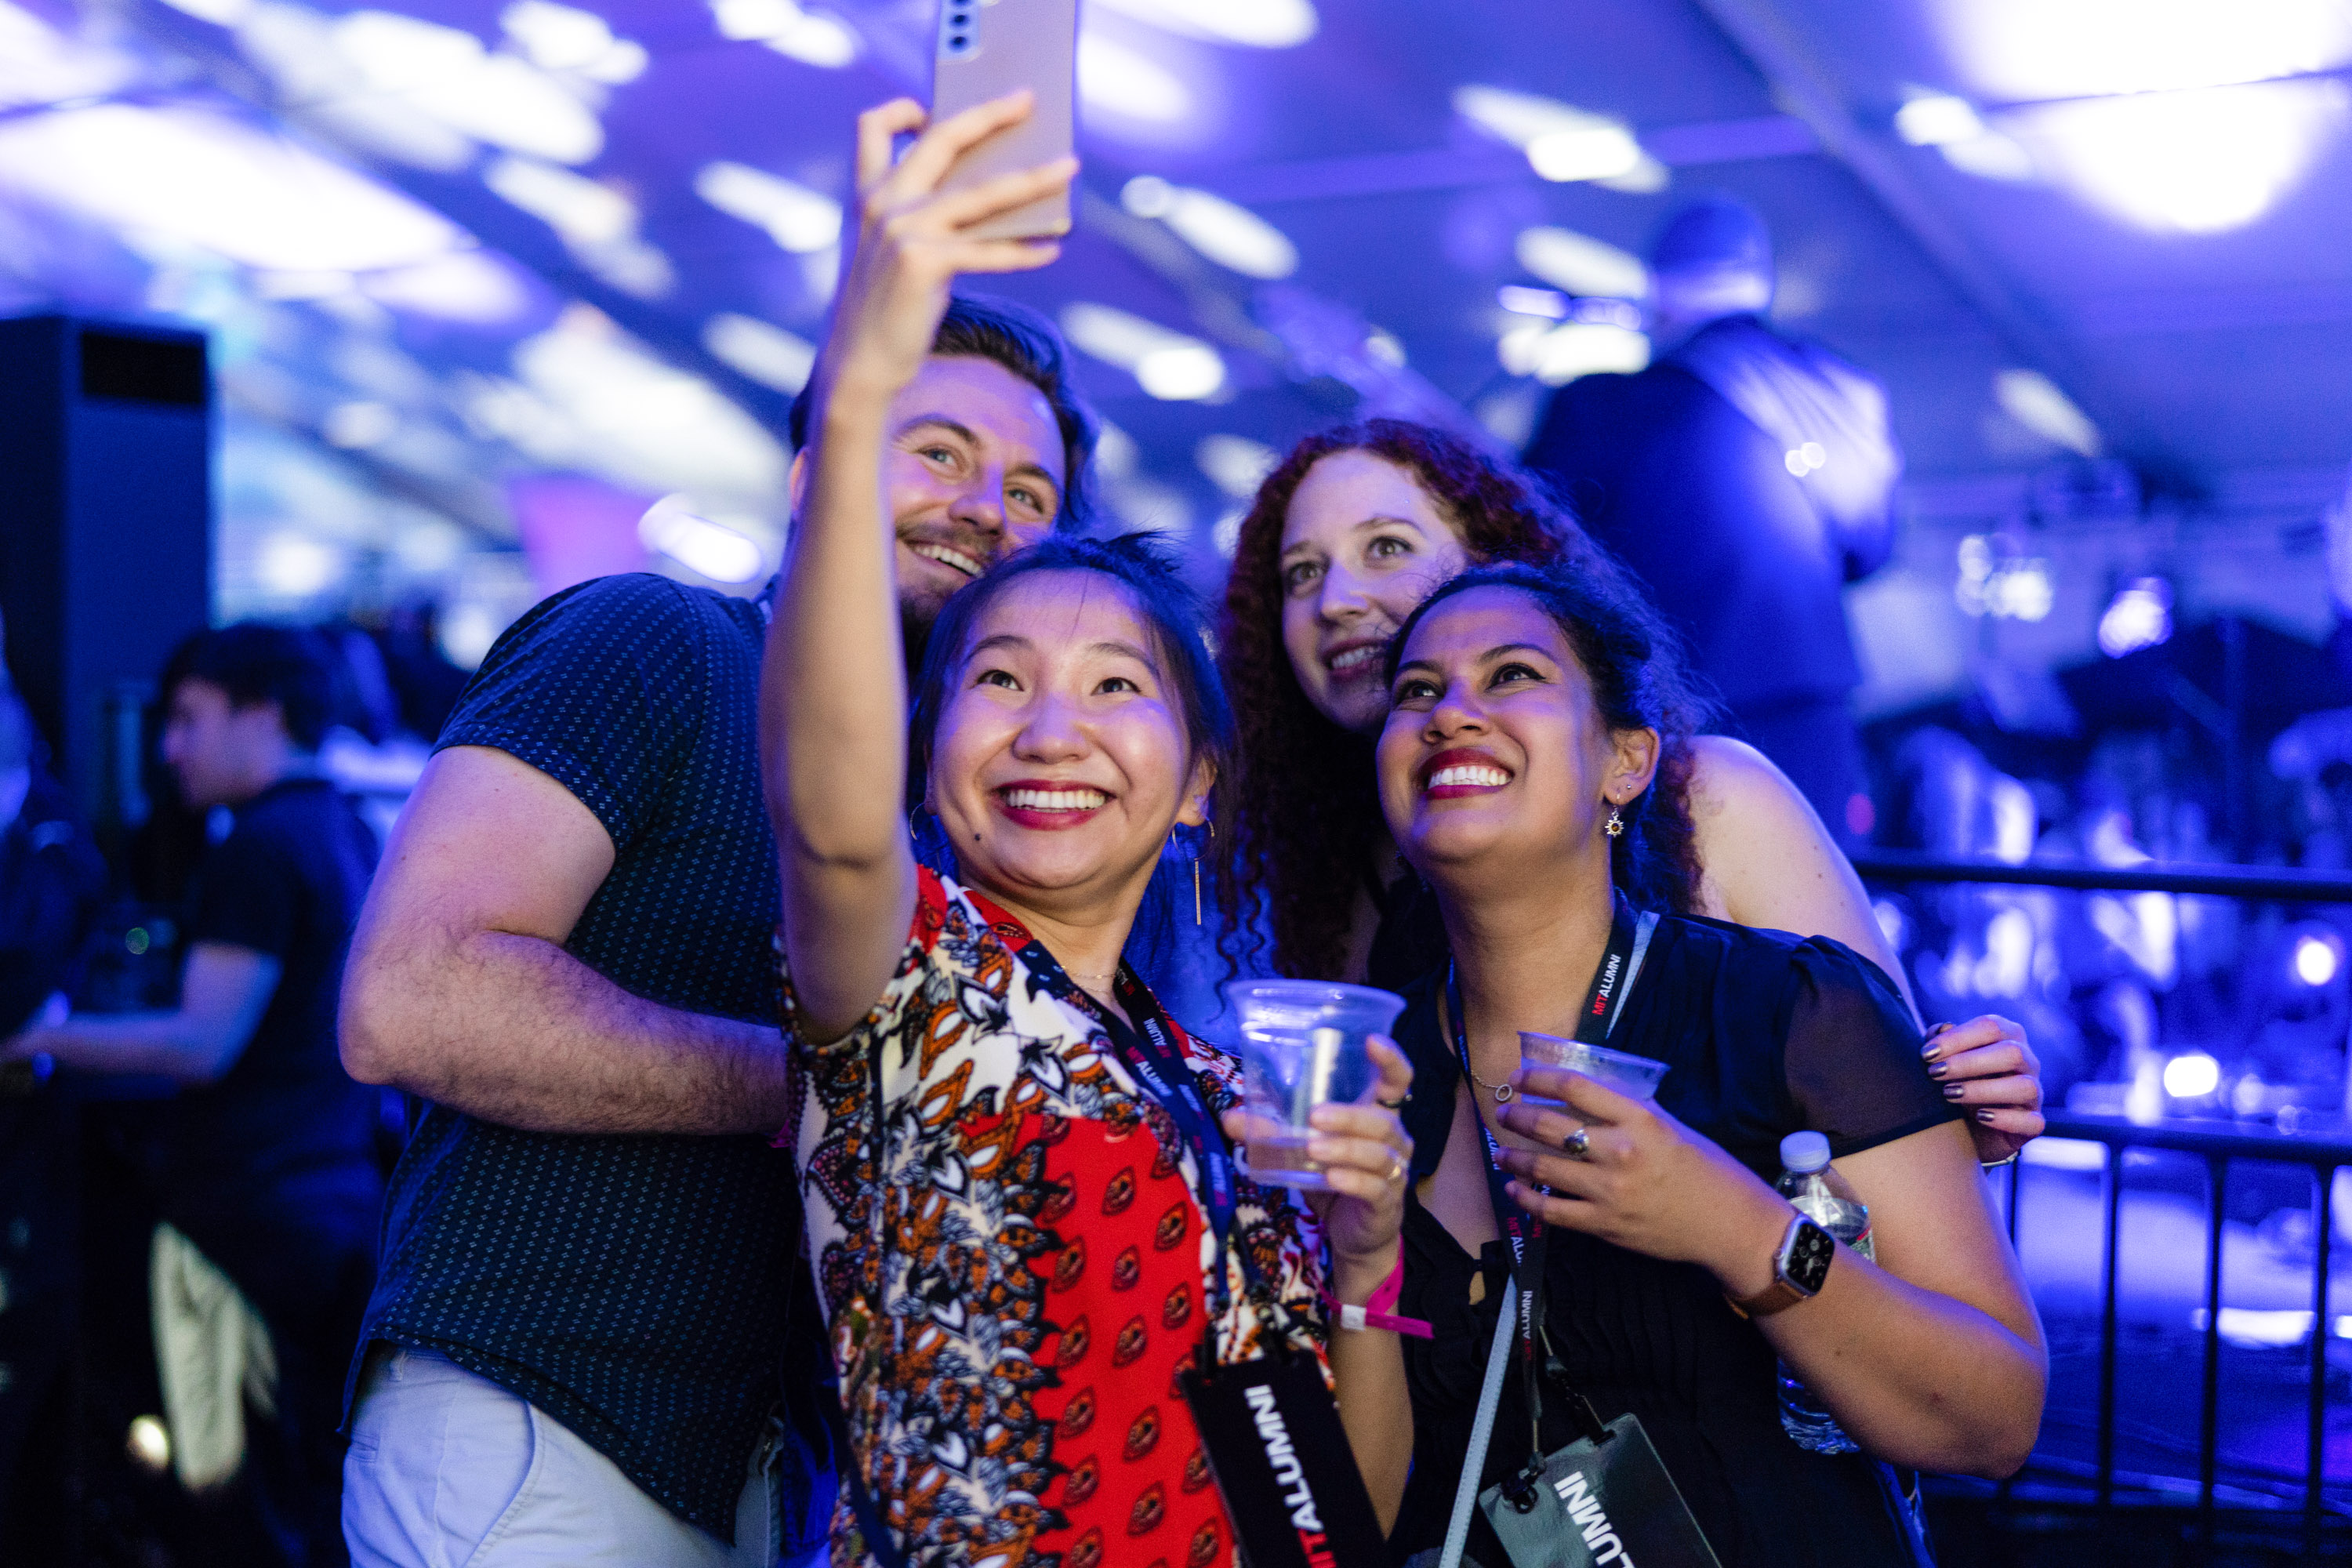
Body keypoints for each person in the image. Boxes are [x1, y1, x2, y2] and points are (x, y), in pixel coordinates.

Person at [334, 277, 1097, 1568]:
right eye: (941, 455)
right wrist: (824, 1082)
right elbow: (409, 997)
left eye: (1031, 494)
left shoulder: (959, 809)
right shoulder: (658, 640)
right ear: (815, 474)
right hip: (545, 1434)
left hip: (765, 1488)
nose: (985, 508)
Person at [766, 93, 1418, 1566]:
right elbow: (829, 821)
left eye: (1117, 687)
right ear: (928, 759)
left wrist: (1367, 1265)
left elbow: (1337, 1514)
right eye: (997, 682)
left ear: (1197, 788)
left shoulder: (1224, 1087)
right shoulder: (911, 985)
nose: (1051, 732)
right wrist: (862, 393)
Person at [1372, 562, 2046, 1566]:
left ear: (1627, 762)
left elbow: (1998, 1416)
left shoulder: (1792, 1013)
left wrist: (1732, 1223)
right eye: (1417, 691)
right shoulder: (1382, 1077)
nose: (1451, 712)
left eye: (1511, 675)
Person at [1218, 419, 2044, 1162]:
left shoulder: (1710, 797)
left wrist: (1958, 1104)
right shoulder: (1330, 866)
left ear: (1497, 561)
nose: (1337, 599)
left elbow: (1899, 1106)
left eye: (1386, 547)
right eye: (1301, 573)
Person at [6, 623, 383, 1565]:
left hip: (239, 1216)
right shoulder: (344, 825)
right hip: (334, 1197)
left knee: (228, 1500)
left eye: (188, 718)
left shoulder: (260, 846)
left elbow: (202, 1041)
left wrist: (44, 1035)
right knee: (302, 1484)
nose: (169, 745)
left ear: (264, 714)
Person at [1520, 195, 1900, 839]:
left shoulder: (1602, 409)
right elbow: (1874, 548)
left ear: (1659, 294)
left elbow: (1530, 545)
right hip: (1811, 713)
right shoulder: (1842, 391)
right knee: (1811, 921)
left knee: (1674, 920)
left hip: (1663, 716)